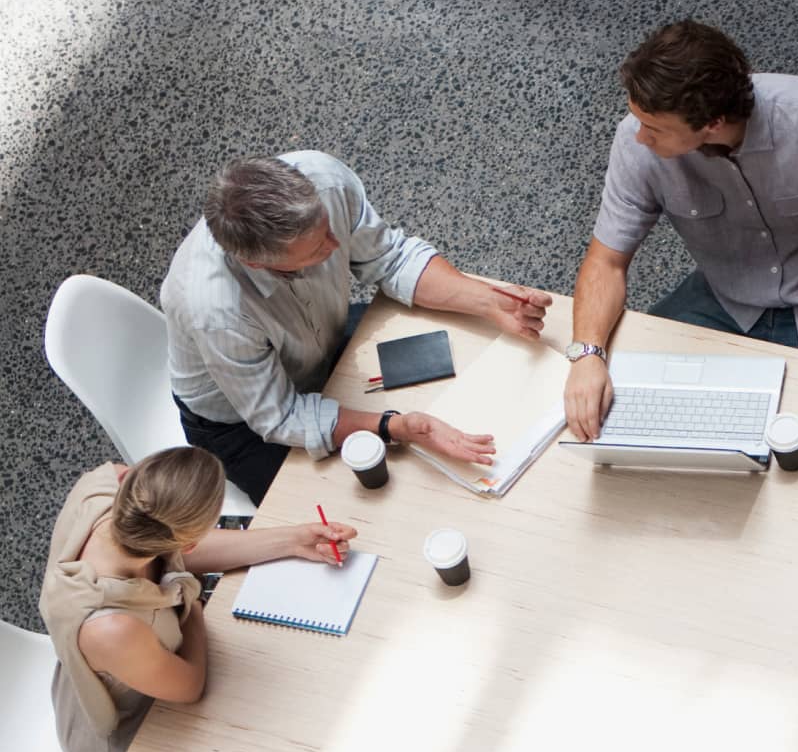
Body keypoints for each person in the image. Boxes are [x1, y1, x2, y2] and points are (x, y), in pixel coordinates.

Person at [564, 20, 798, 440]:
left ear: (713, 123)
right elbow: (606, 261)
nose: (639, 137)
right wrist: (586, 355)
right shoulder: (635, 141)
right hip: (728, 298)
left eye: (656, 129)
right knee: (626, 388)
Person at [162, 151, 553, 504]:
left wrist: (487, 300)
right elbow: (280, 416)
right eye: (317, 251)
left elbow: (391, 259)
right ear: (259, 264)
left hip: (321, 341)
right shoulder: (213, 309)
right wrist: (393, 426)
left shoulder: (323, 179)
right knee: (366, 508)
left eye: (329, 228)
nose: (335, 245)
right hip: (243, 422)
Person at [38, 446, 357, 752]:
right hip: (132, 733)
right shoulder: (112, 628)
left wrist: (295, 541)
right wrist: (194, 608)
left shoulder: (112, 486)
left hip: (138, 664)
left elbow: (167, 546)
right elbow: (189, 685)